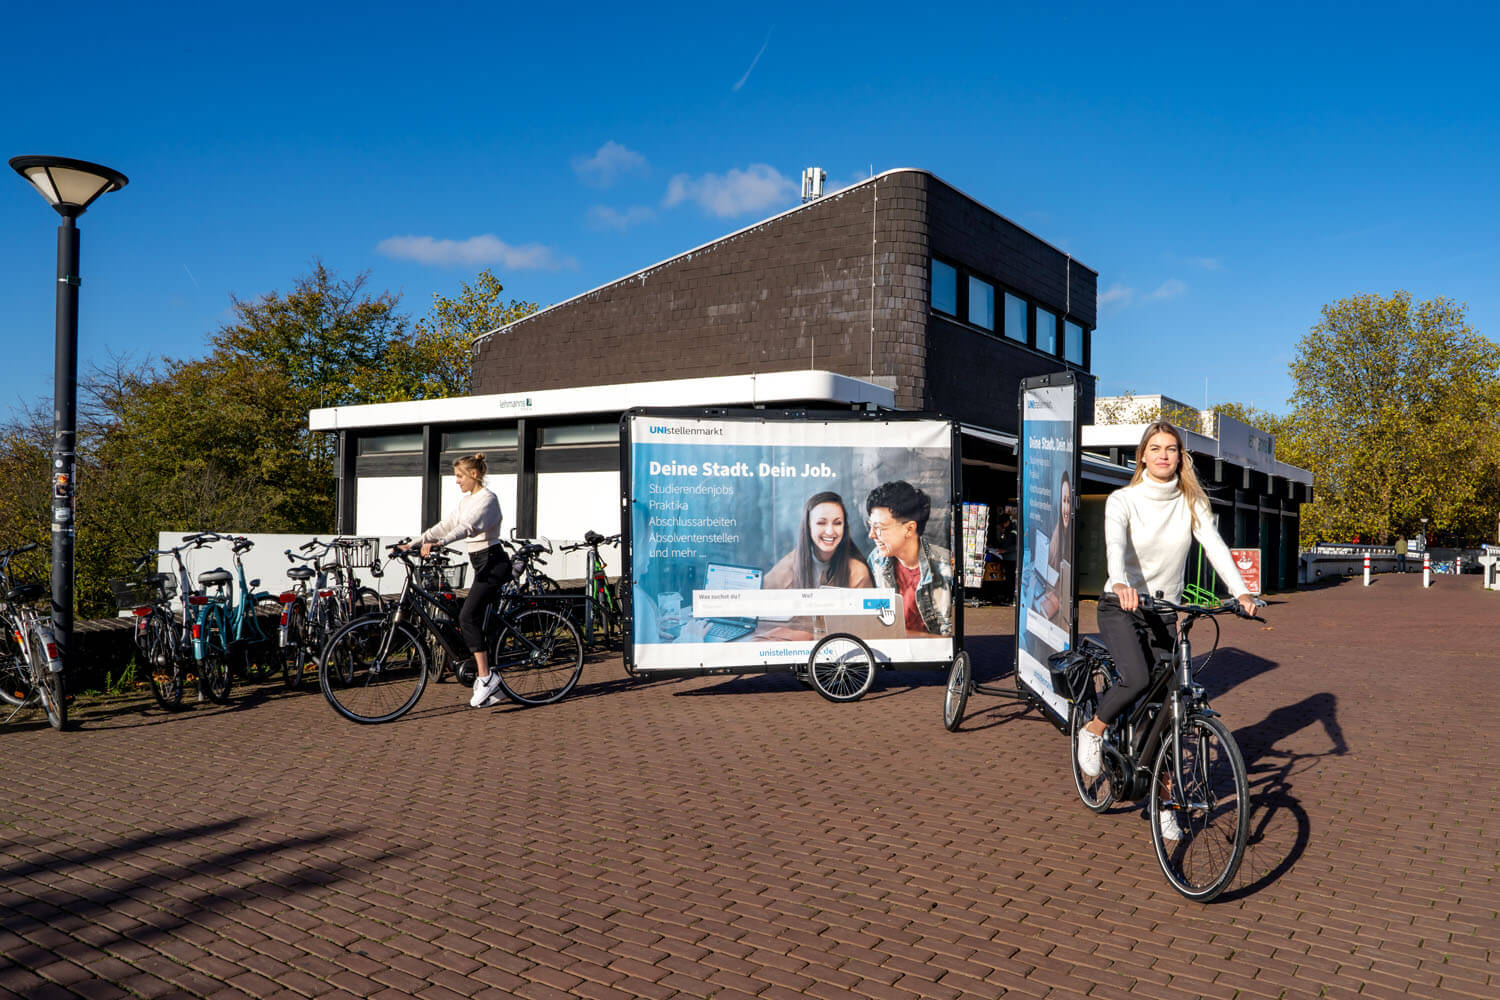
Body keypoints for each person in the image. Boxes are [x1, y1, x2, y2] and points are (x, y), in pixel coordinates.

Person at [1076, 422, 1256, 838]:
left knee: (1170, 711)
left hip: (1164, 610)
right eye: (1155, 448)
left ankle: (1164, 805)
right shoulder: (1124, 500)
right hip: (1121, 605)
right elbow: (1114, 544)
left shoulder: (1192, 502)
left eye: (1171, 449)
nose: (1163, 455)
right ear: (1142, 455)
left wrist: (1242, 593)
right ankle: (1094, 730)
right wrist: (1120, 581)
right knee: (1137, 677)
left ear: (1181, 457)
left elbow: (1214, 546)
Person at [403, 454, 511, 708]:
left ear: (474, 475)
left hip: (493, 564)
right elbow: (446, 524)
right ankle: (492, 683)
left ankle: (486, 678)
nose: (457, 482)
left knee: (467, 616)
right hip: (481, 564)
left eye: (460, 476)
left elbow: (467, 527)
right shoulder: (466, 501)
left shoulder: (488, 500)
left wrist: (441, 543)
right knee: (468, 618)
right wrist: (413, 542)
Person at [864, 480, 954, 635]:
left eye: (879, 528)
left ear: (910, 529)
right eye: (870, 525)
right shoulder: (876, 561)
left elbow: (948, 636)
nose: (871, 535)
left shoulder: (944, 565)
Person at [764, 491, 874, 590]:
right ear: (808, 526)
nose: (830, 531)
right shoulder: (788, 566)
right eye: (821, 523)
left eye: (837, 523)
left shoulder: (858, 572)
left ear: (844, 527)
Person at [1036, 472, 1075, 628]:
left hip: (1059, 618)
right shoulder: (1057, 534)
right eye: (1063, 501)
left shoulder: (1070, 539)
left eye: (1069, 501)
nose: (1066, 508)